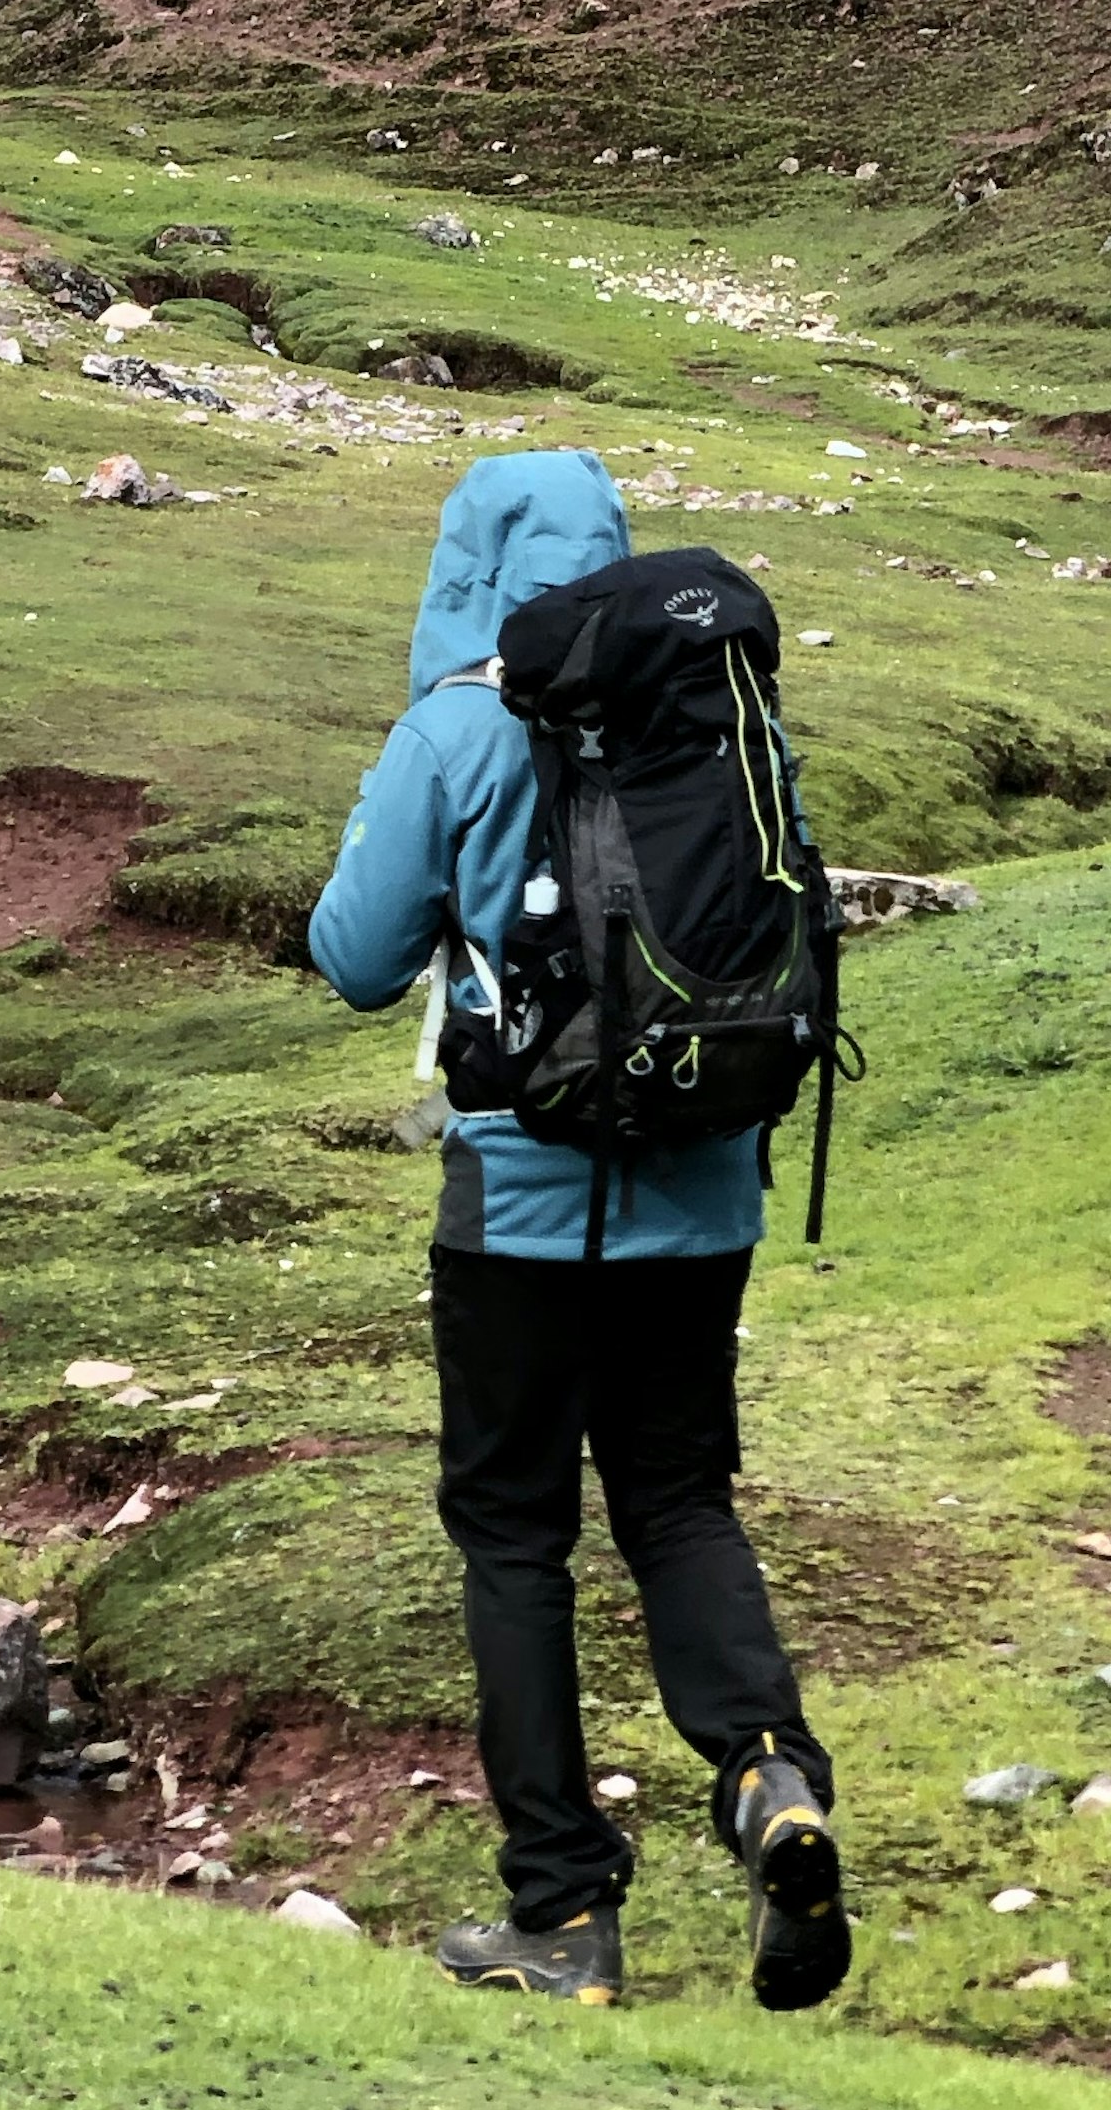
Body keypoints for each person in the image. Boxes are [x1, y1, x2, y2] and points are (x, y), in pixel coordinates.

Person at [309, 442, 849, 2011]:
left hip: (519, 1210)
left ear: (464, 569)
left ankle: (560, 1914)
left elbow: (352, 956)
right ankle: (768, 1780)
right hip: (706, 1197)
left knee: (515, 1539)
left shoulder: (460, 724)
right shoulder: (723, 713)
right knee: (679, 1503)